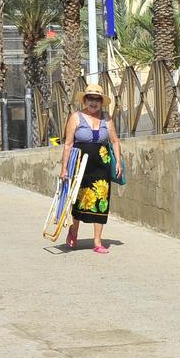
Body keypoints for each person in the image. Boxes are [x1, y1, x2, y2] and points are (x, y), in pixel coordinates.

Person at [59, 83, 123, 254]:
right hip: (80, 165)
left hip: (101, 165)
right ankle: (74, 230)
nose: (93, 102)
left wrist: (118, 161)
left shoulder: (106, 119)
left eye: (97, 99)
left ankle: (97, 241)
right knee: (79, 198)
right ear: (84, 100)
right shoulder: (76, 117)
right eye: (90, 99)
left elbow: (115, 141)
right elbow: (68, 143)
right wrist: (64, 168)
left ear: (101, 102)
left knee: (101, 200)